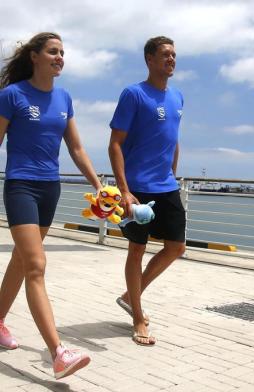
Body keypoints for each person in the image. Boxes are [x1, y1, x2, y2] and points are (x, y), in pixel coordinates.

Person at [0, 32, 101, 379]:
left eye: (62, 52)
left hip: (50, 189)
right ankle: (59, 352)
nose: (60, 57)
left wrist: (100, 186)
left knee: (22, 259)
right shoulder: (12, 95)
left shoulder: (64, 98)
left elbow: (76, 148)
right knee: (36, 266)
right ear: (35, 56)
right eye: (53, 51)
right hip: (21, 186)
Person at [109, 36, 186, 346]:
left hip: (166, 186)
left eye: (174, 55)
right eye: (165, 55)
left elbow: (173, 138)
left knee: (176, 246)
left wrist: (173, 174)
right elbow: (115, 143)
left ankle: (131, 296)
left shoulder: (178, 96)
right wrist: (125, 191)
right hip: (137, 188)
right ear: (150, 60)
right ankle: (137, 317)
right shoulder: (133, 94)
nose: (171, 59)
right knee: (136, 250)